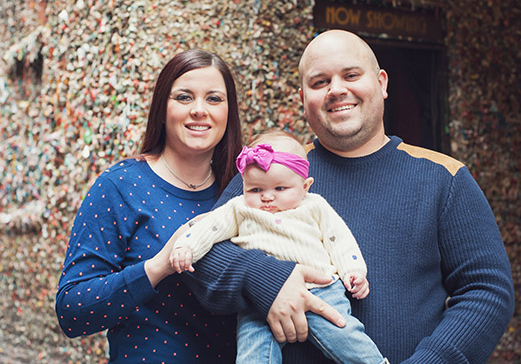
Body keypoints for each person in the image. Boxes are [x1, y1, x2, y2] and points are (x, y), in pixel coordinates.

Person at [183, 30, 515, 363]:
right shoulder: (269, 173)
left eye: (351, 75)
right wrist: (267, 279)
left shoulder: (444, 177)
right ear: (303, 98)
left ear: (382, 83)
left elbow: (486, 292)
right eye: (320, 82)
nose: (337, 89)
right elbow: (203, 255)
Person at [55, 49, 245, 363]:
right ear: (161, 107)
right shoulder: (120, 186)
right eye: (184, 97)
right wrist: (156, 268)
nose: (199, 110)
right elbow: (72, 312)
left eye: (214, 99)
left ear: (229, 111)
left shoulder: (244, 189)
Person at [170, 130, 388, 364]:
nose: (266, 198)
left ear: (305, 186)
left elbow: (338, 239)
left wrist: (353, 271)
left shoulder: (315, 206)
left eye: (280, 189)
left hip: (320, 287)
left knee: (344, 335)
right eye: (255, 190)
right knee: (252, 351)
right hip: (258, 298)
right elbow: (210, 227)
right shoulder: (240, 208)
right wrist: (187, 247)